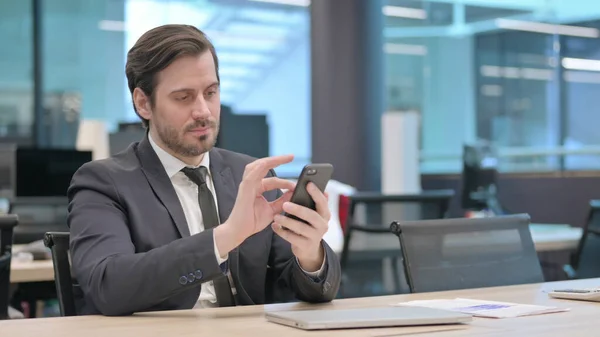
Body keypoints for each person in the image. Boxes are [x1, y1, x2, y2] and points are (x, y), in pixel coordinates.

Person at [67, 24, 341, 316]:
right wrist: (225, 237)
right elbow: (109, 286)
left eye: (210, 92)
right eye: (183, 97)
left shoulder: (247, 175)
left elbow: (305, 287)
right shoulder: (103, 182)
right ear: (143, 103)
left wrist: (309, 253)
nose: (203, 111)